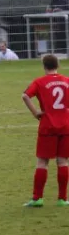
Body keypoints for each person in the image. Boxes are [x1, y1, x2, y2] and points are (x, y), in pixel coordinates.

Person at [22, 54, 69, 207]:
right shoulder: (66, 81)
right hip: (66, 126)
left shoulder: (40, 82)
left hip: (47, 126)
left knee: (42, 161)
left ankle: (37, 198)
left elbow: (25, 96)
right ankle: (62, 199)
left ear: (44, 66)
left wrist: (36, 113)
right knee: (62, 161)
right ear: (58, 65)